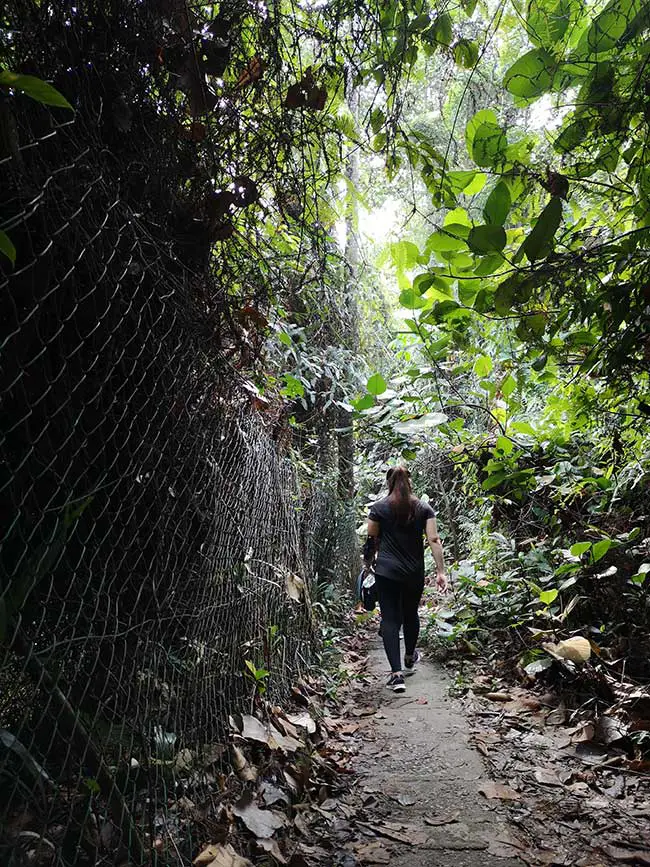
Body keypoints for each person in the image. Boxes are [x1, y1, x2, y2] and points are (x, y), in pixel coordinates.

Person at [362, 466, 447, 692]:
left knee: (389, 619)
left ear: (389, 483)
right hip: (413, 572)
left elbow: (371, 541)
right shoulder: (423, 508)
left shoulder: (378, 508)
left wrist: (368, 565)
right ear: (410, 482)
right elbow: (434, 540)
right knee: (411, 614)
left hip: (386, 572)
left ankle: (397, 675)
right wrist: (441, 572)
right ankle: (409, 656)